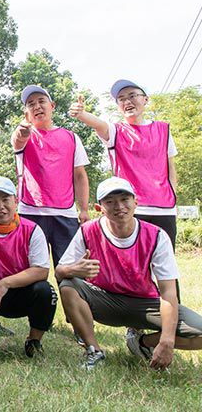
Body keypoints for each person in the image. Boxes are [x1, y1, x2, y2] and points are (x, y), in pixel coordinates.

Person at [56, 177, 202, 370]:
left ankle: (142, 343)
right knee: (68, 285)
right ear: (99, 208)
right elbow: (59, 271)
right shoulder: (87, 230)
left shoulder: (157, 236)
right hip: (104, 300)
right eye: (110, 202)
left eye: (125, 199)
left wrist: (167, 340)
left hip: (145, 305)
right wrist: (73, 269)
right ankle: (94, 351)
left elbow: (168, 292)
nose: (119, 206)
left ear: (136, 202)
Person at [68, 80, 178, 250]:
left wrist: (173, 196)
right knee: (131, 260)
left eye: (132, 96)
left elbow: (171, 168)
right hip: (130, 209)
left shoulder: (163, 130)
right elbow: (98, 124)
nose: (127, 101)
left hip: (164, 209)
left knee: (164, 259)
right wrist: (81, 114)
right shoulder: (115, 131)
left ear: (145, 99)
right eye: (121, 99)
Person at [0, 177, 57, 357]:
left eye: (5, 199)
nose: (0, 206)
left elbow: (41, 271)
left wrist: (5, 283)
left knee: (46, 291)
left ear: (16, 201)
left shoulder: (32, 229)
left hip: (21, 290)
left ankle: (34, 341)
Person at [11, 85, 90, 267]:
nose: (37, 106)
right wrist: (23, 131)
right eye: (31, 104)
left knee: (70, 270)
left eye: (41, 101)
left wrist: (84, 209)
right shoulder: (24, 135)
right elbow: (18, 139)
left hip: (65, 214)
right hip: (30, 213)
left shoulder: (71, 138)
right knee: (30, 269)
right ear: (26, 113)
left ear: (52, 106)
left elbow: (80, 176)